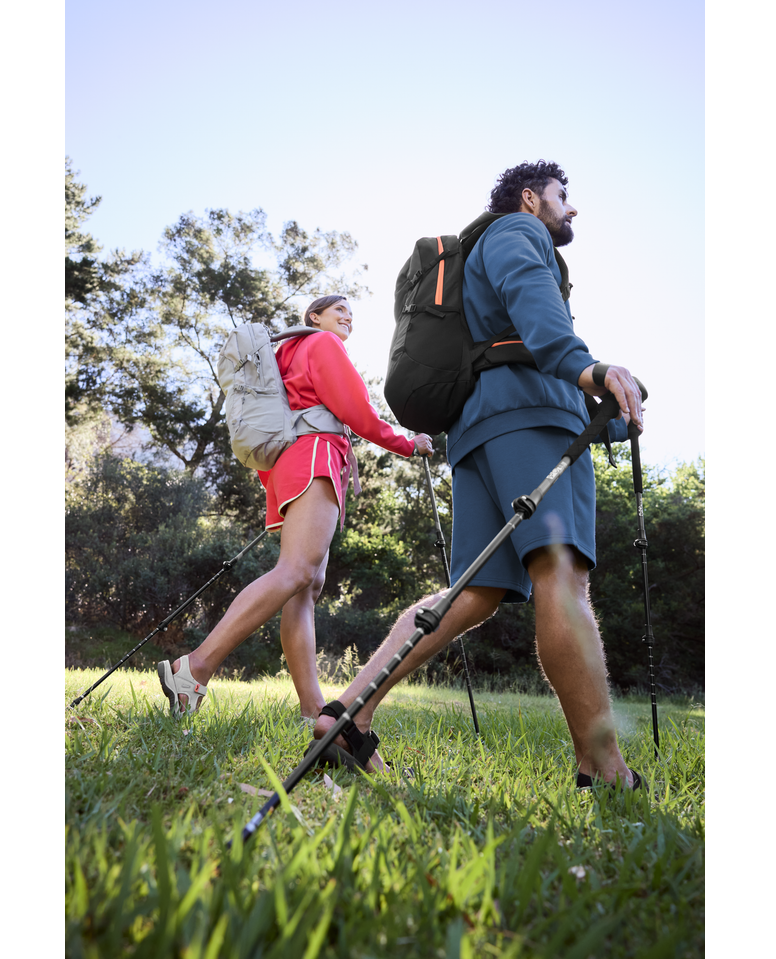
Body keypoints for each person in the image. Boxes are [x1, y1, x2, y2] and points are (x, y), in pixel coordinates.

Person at [310, 161, 646, 788]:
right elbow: (533, 300)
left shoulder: (477, 252)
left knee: (474, 592)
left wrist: (608, 418)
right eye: (563, 196)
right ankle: (605, 768)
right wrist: (586, 367)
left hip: (479, 429)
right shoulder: (518, 231)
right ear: (530, 198)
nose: (571, 208)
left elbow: (510, 339)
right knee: (561, 575)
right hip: (530, 416)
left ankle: (347, 715)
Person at [156, 295, 435, 720]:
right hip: (315, 457)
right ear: (314, 317)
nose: (348, 317)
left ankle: (311, 708)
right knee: (298, 571)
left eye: (351, 313)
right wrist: (407, 444)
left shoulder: (285, 354)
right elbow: (357, 411)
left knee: (306, 586)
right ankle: (195, 668)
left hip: (290, 466)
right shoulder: (322, 343)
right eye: (339, 309)